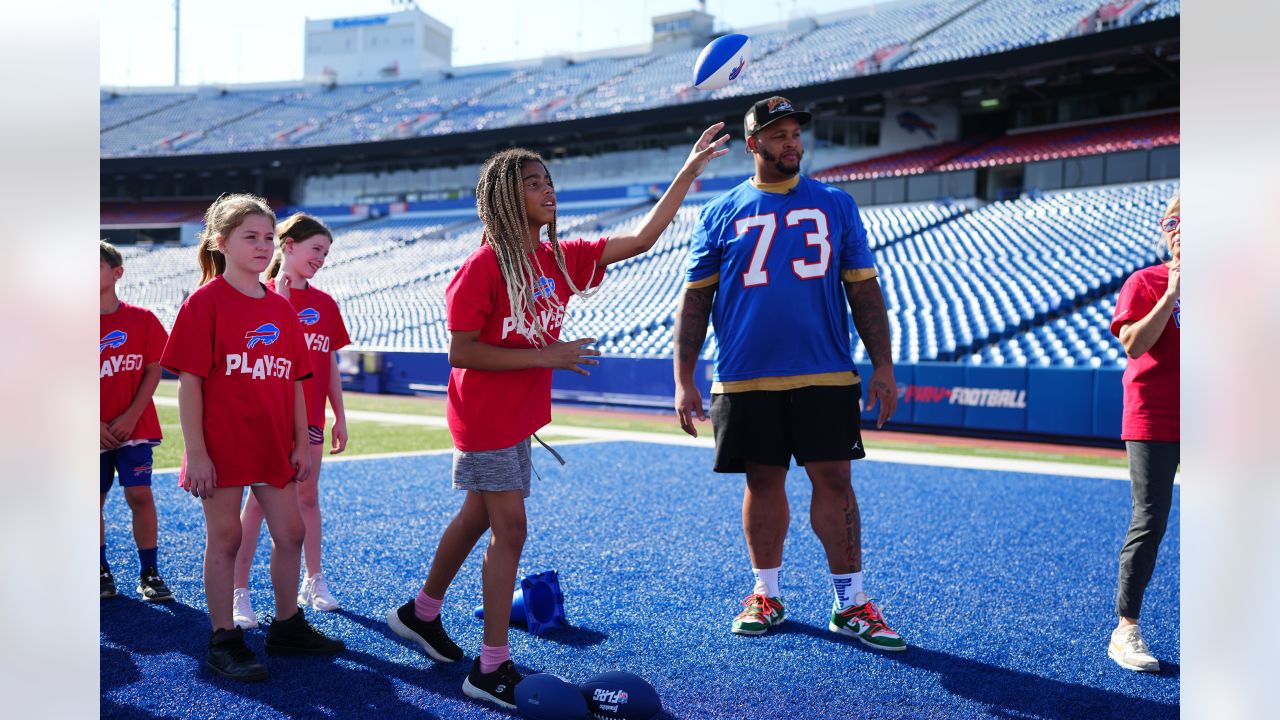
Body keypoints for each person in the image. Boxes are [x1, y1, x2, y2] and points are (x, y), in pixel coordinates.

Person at [386, 124, 729, 710]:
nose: (548, 190)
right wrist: (550, 356)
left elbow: (644, 238)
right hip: (485, 415)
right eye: (533, 183)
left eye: (549, 180)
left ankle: (419, 613)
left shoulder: (558, 259)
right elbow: (461, 351)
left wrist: (689, 170)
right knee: (509, 530)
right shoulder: (483, 267)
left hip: (514, 416)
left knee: (476, 518)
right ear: (503, 197)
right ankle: (490, 668)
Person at [673, 96, 905, 651]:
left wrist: (883, 365)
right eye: (778, 135)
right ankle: (767, 593)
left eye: (796, 132)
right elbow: (694, 303)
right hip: (745, 375)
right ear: (753, 145)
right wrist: (684, 377)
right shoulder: (719, 212)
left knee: (835, 483)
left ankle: (850, 604)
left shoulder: (837, 204)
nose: (791, 143)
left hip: (825, 369)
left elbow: (864, 291)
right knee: (762, 484)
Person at [162, 193, 344, 682]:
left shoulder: (283, 310)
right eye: (251, 237)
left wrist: (301, 441)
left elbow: (297, 381)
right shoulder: (204, 303)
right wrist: (195, 453)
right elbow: (190, 384)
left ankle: (286, 624)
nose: (264, 246)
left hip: (272, 447)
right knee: (225, 537)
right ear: (221, 244)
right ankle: (224, 638)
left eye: (269, 237)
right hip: (220, 450)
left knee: (292, 532)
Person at [232, 213, 351, 628]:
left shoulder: (325, 303)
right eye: (315, 249)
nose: (321, 258)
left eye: (326, 252)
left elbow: (329, 362)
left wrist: (339, 414)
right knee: (256, 507)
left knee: (308, 499)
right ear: (289, 246)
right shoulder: (259, 297)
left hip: (312, 421)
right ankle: (238, 590)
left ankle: (313, 580)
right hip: (270, 420)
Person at [1106, 191, 1180, 672]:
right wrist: (1173, 291)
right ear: (1167, 229)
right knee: (1150, 520)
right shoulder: (1145, 281)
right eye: (1177, 222)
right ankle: (1126, 629)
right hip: (1156, 415)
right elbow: (1134, 344)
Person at [100, 240, 173, 603]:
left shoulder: (142, 319)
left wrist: (130, 415)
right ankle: (98, 569)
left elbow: (153, 370)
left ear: (117, 273)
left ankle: (149, 572)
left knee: (140, 495)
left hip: (135, 426)